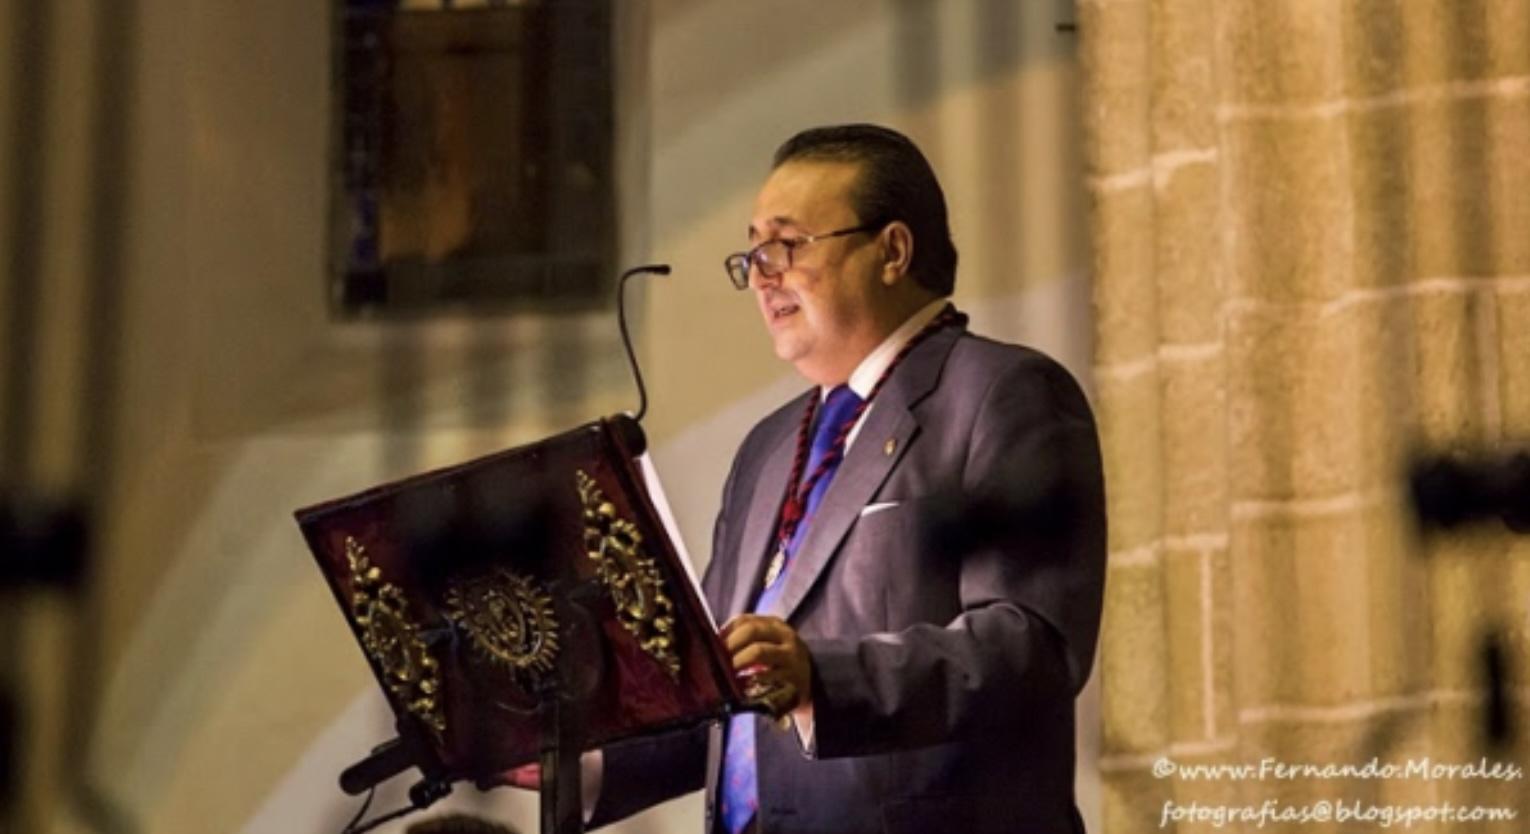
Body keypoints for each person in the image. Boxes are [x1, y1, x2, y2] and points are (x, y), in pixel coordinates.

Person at [548, 123, 1105, 834]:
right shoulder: (768, 448)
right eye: (751, 252)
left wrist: (825, 681)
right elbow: (726, 696)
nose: (760, 273)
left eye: (785, 244)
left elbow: (1032, 646)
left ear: (893, 251)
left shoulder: (1002, 393)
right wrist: (571, 762)